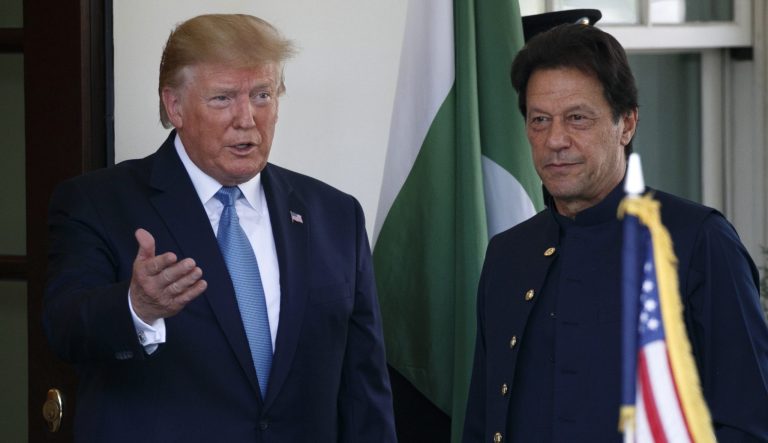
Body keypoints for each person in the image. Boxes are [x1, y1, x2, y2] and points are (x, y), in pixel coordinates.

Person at [44, 14, 396, 442]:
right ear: (174, 106)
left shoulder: (335, 215)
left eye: (262, 95)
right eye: (223, 98)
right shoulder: (99, 203)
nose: (247, 119)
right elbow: (64, 329)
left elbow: (364, 388)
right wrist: (136, 307)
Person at [463, 23, 768, 442]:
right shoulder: (508, 253)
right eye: (540, 120)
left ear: (626, 123)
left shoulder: (698, 241)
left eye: (577, 118)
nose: (555, 140)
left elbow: (748, 424)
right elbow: (483, 423)